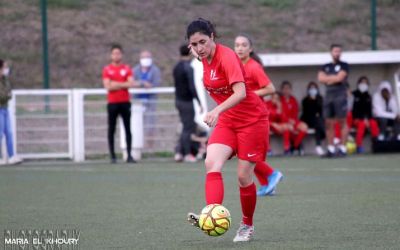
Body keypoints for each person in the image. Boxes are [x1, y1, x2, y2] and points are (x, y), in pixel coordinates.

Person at [185, 18, 269, 242]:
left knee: (243, 177)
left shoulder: (227, 56)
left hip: (252, 120)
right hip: (229, 121)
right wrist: (198, 53)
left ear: (212, 36)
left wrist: (215, 111)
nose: (200, 48)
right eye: (195, 45)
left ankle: (247, 226)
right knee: (211, 163)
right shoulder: (202, 56)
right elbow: (200, 55)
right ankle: (212, 215)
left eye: (203, 42)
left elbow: (240, 93)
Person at [234, 34, 283, 197]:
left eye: (243, 45)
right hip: (242, 115)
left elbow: (270, 89)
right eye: (237, 45)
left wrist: (248, 94)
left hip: (254, 117)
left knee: (245, 153)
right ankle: (267, 184)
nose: (240, 48)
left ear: (250, 49)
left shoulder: (254, 67)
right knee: (246, 153)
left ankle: (272, 174)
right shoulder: (236, 65)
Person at [102, 44, 138, 164]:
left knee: (128, 129)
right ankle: (112, 155)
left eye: (118, 53)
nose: (116, 55)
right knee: (111, 129)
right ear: (111, 55)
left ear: (121, 55)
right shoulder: (107, 69)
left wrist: (115, 84)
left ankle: (129, 155)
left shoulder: (127, 68)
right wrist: (122, 84)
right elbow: (107, 86)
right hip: (112, 103)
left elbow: (130, 84)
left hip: (125, 102)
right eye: (114, 53)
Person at [173, 44, 203, 163]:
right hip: (187, 102)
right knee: (188, 128)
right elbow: (192, 87)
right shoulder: (188, 67)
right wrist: (199, 102)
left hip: (178, 100)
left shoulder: (176, 67)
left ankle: (179, 153)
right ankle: (187, 154)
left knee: (185, 126)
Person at [318, 44, 349, 157]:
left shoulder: (344, 65)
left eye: (339, 51)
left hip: (340, 95)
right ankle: (331, 148)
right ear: (331, 52)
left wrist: (329, 79)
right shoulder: (325, 66)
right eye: (335, 51)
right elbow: (321, 78)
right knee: (328, 122)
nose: (337, 53)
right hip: (328, 96)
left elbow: (340, 78)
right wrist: (333, 79)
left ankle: (342, 148)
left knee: (342, 121)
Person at [133, 50, 162, 142]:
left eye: (148, 57)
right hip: (137, 101)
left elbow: (156, 83)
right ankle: (137, 143)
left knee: (150, 124)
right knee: (137, 123)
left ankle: (150, 146)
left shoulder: (155, 70)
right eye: (144, 57)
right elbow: (132, 83)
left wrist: (149, 86)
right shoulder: (135, 70)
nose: (146, 59)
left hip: (151, 101)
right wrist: (143, 83)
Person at [0, 59, 22, 165]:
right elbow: (3, 95)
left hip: (5, 108)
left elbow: (9, 92)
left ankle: (12, 156)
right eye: (4, 67)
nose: (6, 69)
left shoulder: (5, 80)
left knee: (9, 132)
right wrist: (6, 95)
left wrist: (6, 95)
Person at [350, 76, 380, 153]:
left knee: (373, 123)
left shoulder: (368, 96)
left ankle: (375, 144)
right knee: (362, 124)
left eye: (365, 83)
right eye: (362, 82)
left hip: (367, 118)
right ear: (358, 84)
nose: (364, 84)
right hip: (356, 118)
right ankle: (359, 145)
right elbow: (353, 109)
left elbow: (369, 110)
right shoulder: (354, 94)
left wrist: (367, 118)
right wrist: (363, 118)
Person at [280, 81, 308, 155]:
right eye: (285, 89)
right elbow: (280, 114)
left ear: (291, 90)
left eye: (288, 88)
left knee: (304, 127)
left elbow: (295, 113)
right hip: (283, 122)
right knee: (287, 128)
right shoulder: (280, 100)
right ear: (282, 90)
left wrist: (293, 122)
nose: (286, 90)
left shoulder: (293, 99)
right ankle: (288, 149)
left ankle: (295, 146)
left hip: (293, 121)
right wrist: (288, 121)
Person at [300, 81, 326, 156]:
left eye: (314, 88)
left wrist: (316, 100)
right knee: (318, 122)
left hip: (317, 121)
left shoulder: (320, 98)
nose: (312, 90)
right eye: (311, 88)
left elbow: (321, 111)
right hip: (308, 120)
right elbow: (307, 112)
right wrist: (311, 101)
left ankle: (318, 146)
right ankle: (323, 135)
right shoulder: (305, 100)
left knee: (317, 125)